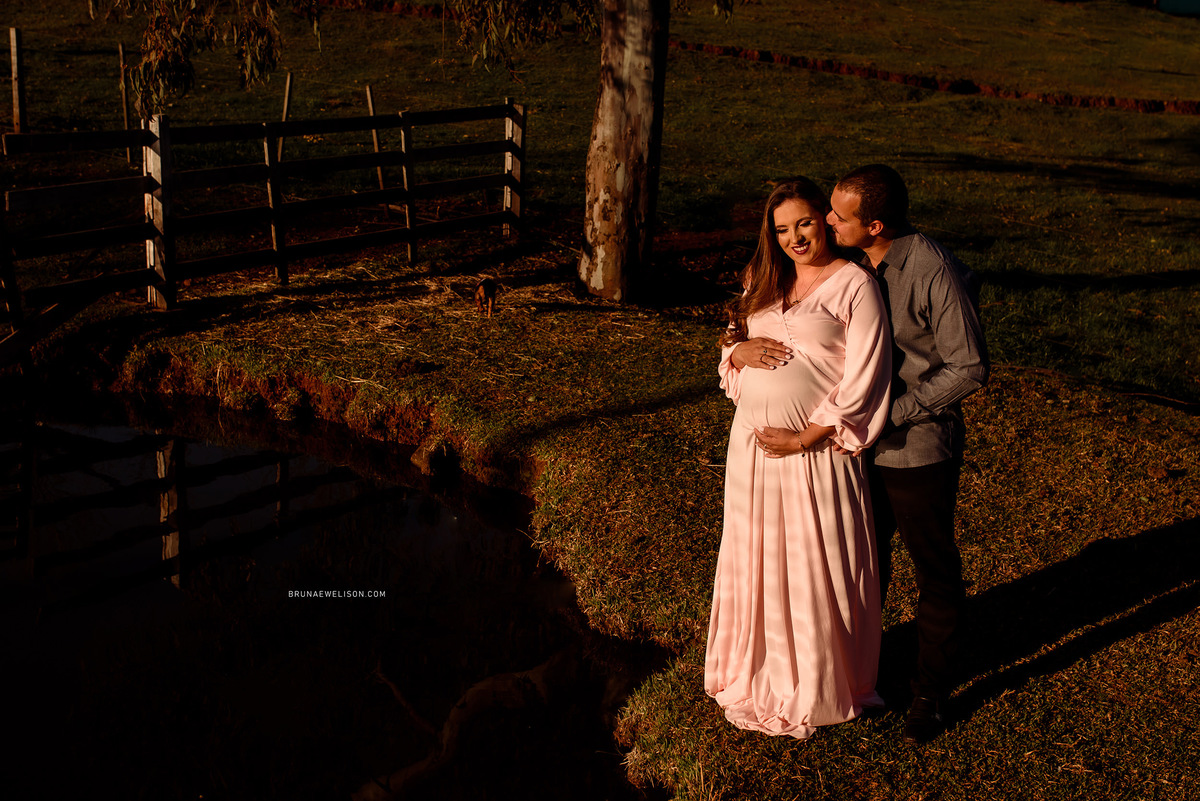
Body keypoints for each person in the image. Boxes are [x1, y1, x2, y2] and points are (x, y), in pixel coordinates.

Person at [704, 177, 893, 740]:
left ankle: (815, 680)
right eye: (782, 229)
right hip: (754, 451)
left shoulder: (855, 284)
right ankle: (755, 668)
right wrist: (737, 350)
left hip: (819, 454)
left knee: (814, 559)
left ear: (826, 220)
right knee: (757, 555)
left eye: (805, 223)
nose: (795, 238)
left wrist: (808, 435)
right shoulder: (760, 279)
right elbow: (729, 349)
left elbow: (869, 373)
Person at [826, 164, 989, 744]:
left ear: (874, 224)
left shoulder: (931, 269)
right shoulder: (848, 261)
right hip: (856, 447)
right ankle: (866, 671)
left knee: (934, 572)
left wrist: (890, 415)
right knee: (862, 563)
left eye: (837, 216)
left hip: (915, 450)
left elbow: (968, 367)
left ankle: (930, 691)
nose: (826, 222)